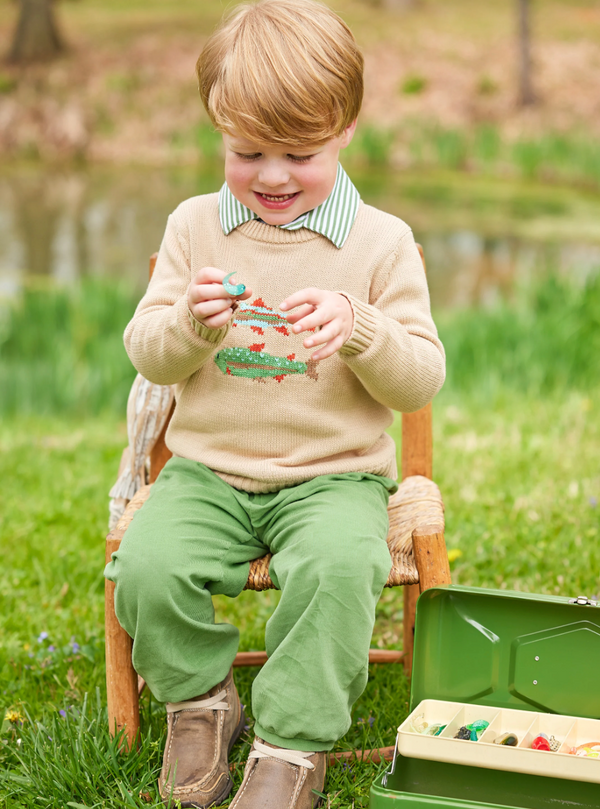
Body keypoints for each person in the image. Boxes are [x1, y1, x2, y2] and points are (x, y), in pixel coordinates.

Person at [104, 0, 445, 806]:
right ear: (217, 131)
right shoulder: (195, 227)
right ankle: (201, 698)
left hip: (335, 478)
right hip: (207, 473)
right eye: (247, 150)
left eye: (301, 152)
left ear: (347, 129)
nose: (273, 175)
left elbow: (420, 379)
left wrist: (361, 328)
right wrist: (189, 320)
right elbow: (146, 349)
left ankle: (292, 740)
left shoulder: (380, 242)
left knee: (338, 569)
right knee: (145, 569)